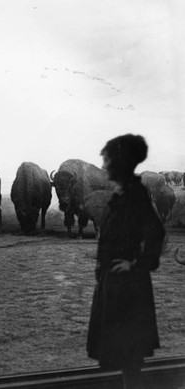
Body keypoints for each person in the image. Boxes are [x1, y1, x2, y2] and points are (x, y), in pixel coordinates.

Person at [87, 134, 165, 389]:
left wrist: (137, 264)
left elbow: (156, 232)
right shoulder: (123, 194)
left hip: (129, 289)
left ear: (120, 162)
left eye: (107, 159)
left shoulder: (136, 195)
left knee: (130, 357)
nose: (104, 164)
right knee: (124, 356)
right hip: (116, 285)